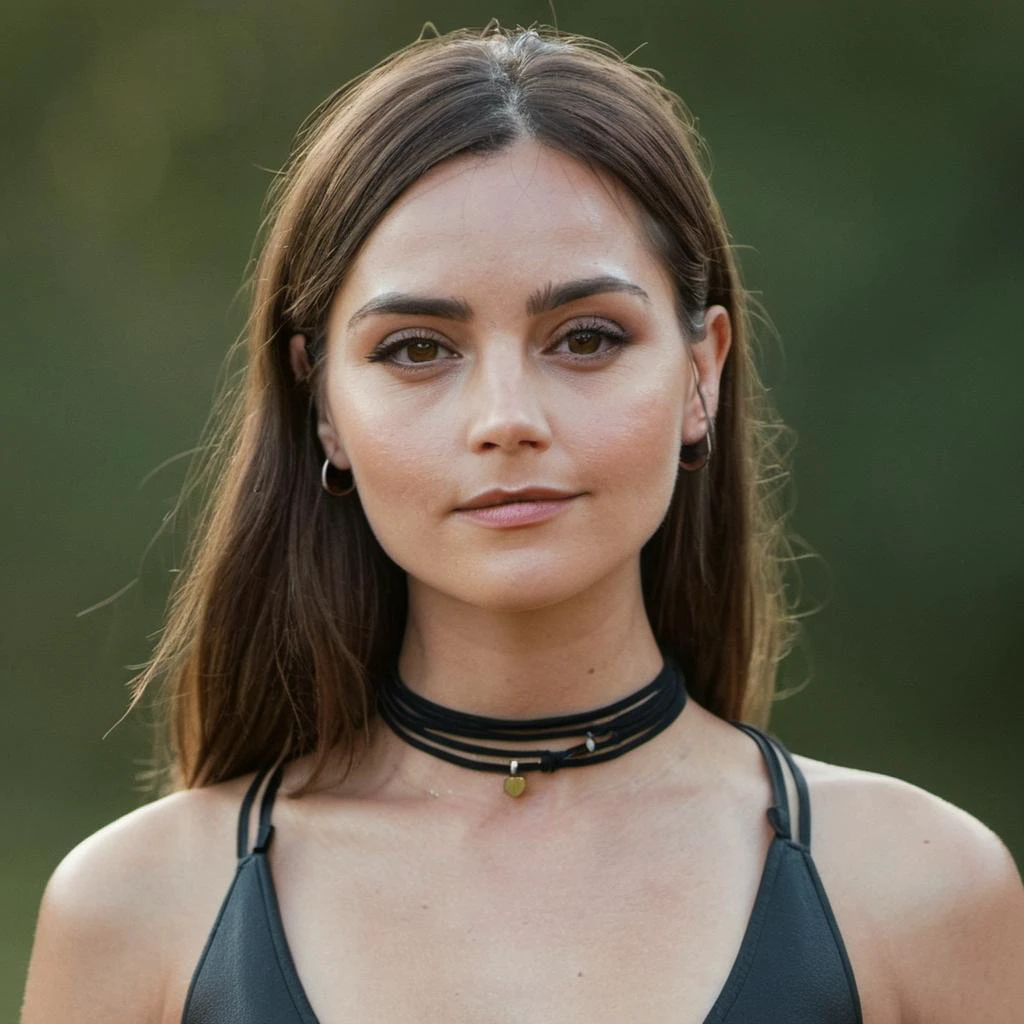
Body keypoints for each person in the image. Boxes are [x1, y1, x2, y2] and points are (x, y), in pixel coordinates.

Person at [22, 23, 1022, 1024]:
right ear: (320, 399)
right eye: (417, 348)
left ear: (701, 373)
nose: (507, 418)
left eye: (586, 337)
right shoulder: (140, 909)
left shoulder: (918, 894)